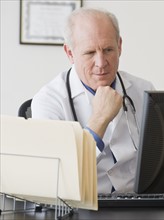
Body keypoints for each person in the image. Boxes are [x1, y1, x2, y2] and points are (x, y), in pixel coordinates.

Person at [31, 8, 155, 194]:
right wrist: (99, 119)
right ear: (70, 53)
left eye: (108, 50)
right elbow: (57, 176)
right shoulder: (49, 101)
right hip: (81, 205)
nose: (101, 62)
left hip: (138, 202)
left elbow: (160, 159)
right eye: (89, 52)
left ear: (120, 46)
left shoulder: (144, 91)